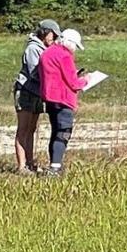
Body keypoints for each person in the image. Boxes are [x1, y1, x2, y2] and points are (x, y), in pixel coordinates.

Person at [13, 19, 61, 174]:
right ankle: (22, 166)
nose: (54, 39)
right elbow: (36, 72)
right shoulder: (33, 48)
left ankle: (30, 162)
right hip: (26, 91)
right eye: (52, 35)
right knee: (24, 129)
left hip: (37, 92)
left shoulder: (43, 48)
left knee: (32, 129)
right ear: (45, 33)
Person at [38, 28, 88, 176]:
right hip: (64, 99)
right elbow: (74, 83)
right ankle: (55, 167)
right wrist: (86, 80)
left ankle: (54, 163)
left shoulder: (47, 52)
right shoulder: (65, 56)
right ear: (70, 43)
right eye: (75, 47)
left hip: (50, 98)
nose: (74, 50)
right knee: (63, 132)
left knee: (55, 130)